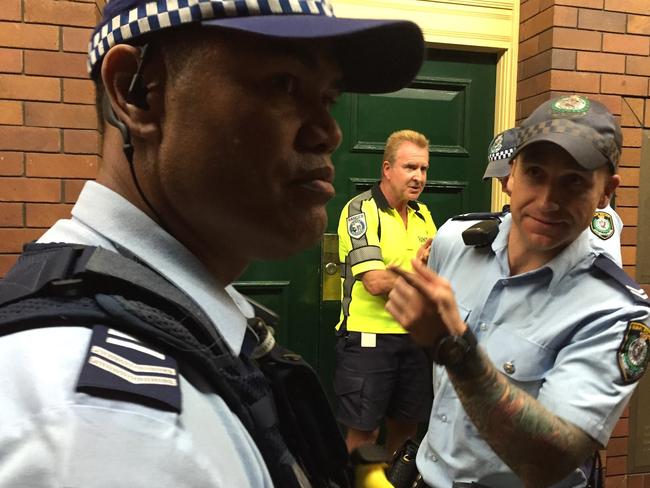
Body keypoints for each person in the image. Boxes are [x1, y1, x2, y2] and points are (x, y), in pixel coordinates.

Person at [0, 1, 426, 486]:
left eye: (326, 97)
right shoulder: (118, 435)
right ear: (135, 94)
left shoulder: (175, 324)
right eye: (283, 84)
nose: (329, 133)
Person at [385, 95, 650, 487]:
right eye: (535, 173)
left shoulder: (617, 312)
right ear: (511, 175)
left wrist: (453, 348)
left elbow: (549, 462)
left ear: (606, 192)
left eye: (573, 182)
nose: (547, 201)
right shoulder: (456, 242)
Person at [335, 129, 437, 456]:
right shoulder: (361, 211)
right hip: (369, 339)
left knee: (406, 435)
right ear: (387, 169)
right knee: (364, 437)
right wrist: (419, 267)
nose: (418, 177)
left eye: (423, 169)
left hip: (415, 337)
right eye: (410, 168)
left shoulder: (424, 215)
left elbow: (440, 270)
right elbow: (376, 282)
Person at [484, 127, 625, 266]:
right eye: (499, 180)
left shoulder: (590, 212)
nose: (506, 186)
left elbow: (604, 270)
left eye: (507, 177)